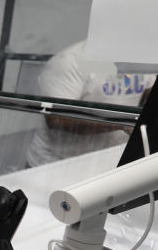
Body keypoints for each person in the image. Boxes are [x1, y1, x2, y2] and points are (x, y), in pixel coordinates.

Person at [25, 40, 155, 168]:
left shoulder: (140, 57)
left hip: (107, 161)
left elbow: (146, 91)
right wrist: (122, 123)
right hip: (55, 164)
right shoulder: (70, 61)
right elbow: (56, 118)